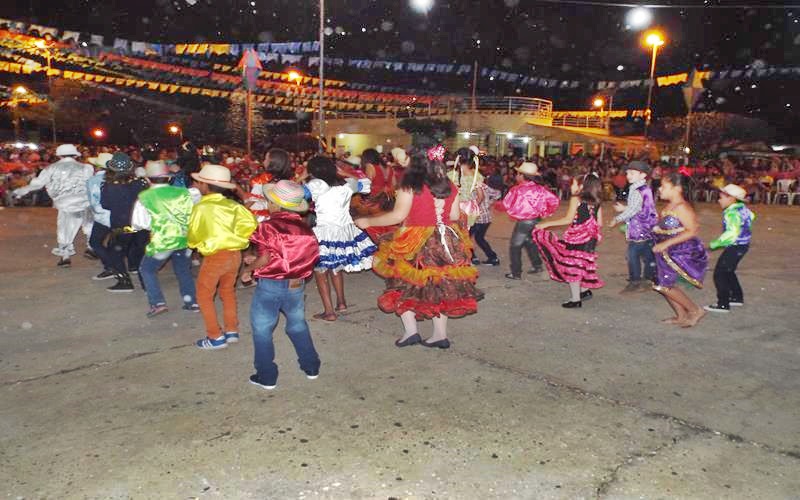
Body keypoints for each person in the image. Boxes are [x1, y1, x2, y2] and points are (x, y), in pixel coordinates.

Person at [355, 145, 483, 349]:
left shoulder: (410, 185)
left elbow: (397, 216)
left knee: (404, 284)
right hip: (446, 242)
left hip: (414, 242)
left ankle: (411, 332)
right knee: (439, 287)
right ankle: (440, 335)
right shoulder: (449, 184)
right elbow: (454, 217)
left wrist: (368, 222)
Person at [240, 180, 322, 390]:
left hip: (271, 285)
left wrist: (248, 270)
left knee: (262, 329)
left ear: (275, 205)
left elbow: (266, 258)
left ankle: (267, 375)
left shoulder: (268, 226)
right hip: (296, 284)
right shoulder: (306, 230)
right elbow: (301, 257)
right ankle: (311, 366)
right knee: (297, 324)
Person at [188, 164, 258, 349]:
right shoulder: (234, 205)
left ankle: (215, 336)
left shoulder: (201, 207)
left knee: (204, 295)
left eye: (200, 182)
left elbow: (193, 236)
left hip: (214, 257)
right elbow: (251, 224)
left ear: (205, 185)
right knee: (227, 291)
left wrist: (199, 243)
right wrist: (237, 239)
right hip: (235, 255)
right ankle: (231, 329)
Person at [304, 156, 376, 321]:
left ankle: (329, 312)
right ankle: (341, 303)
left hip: (325, 232)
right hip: (344, 230)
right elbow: (366, 185)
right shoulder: (346, 184)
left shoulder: (316, 185)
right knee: (336, 267)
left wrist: (301, 178)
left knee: (321, 271)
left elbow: (294, 194)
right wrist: (345, 172)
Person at [131, 161, 198, 318]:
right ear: (169, 178)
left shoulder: (145, 197)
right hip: (185, 238)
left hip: (164, 241)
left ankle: (157, 303)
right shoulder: (184, 193)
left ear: (147, 179)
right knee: (183, 270)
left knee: (147, 270)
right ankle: (192, 301)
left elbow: (139, 224)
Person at [12, 144, 94, 267]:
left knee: (65, 229)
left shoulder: (51, 168)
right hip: (86, 201)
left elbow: (37, 184)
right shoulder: (86, 168)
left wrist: (20, 191)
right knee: (90, 226)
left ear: (59, 155)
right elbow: (91, 184)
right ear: (75, 155)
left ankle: (65, 257)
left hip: (66, 204)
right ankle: (91, 247)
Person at [533, 174, 605, 308]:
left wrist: (546, 224)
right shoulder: (597, 201)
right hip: (590, 238)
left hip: (578, 238)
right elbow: (599, 223)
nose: (572, 186)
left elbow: (568, 219)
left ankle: (575, 299)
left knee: (572, 266)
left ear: (582, 186)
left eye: (574, 184)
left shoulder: (576, 198)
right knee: (581, 264)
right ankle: (584, 291)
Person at [652, 172, 708, 328]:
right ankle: (682, 315)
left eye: (663, 186)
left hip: (679, 251)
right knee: (662, 283)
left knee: (664, 284)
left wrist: (666, 243)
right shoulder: (670, 206)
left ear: (676, 188)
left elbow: (692, 230)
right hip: (667, 250)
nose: (660, 190)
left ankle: (695, 310)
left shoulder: (682, 207)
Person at [100, 152, 151, 292]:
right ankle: (147, 283)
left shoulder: (108, 186)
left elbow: (105, 205)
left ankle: (124, 281)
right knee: (141, 253)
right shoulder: (141, 183)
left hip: (122, 225)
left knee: (115, 252)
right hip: (140, 224)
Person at [501, 162, 560, 280]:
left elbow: (507, 204)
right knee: (529, 242)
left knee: (515, 246)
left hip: (524, 222)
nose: (516, 176)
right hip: (536, 220)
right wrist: (544, 212)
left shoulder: (518, 190)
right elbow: (554, 201)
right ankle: (537, 265)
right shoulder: (541, 189)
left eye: (518, 174)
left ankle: (516, 272)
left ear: (522, 176)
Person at [704, 184, 755, 313]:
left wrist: (713, 244)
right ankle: (737, 297)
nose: (719, 200)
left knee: (719, 274)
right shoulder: (743, 209)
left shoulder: (732, 213)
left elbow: (731, 234)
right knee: (728, 271)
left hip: (735, 246)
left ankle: (723, 303)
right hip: (742, 246)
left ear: (731, 198)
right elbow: (751, 218)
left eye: (721, 197)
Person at [608, 161, 657, 294]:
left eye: (632, 173)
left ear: (643, 175)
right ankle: (649, 279)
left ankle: (635, 281)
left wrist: (617, 219)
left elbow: (633, 210)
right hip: (647, 226)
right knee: (648, 254)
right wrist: (625, 208)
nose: (628, 175)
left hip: (639, 227)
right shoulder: (644, 188)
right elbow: (640, 207)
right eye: (628, 172)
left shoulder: (636, 190)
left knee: (632, 255)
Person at [85, 153, 116, 280]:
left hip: (102, 216)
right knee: (114, 243)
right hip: (119, 215)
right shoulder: (118, 178)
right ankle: (122, 266)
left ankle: (110, 267)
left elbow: (93, 201)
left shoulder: (93, 181)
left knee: (95, 242)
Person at [470, 175, 502, 266]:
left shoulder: (472, 187)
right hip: (486, 218)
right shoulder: (484, 186)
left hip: (476, 218)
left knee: (467, 238)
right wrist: (490, 203)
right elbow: (498, 193)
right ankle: (493, 258)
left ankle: (473, 257)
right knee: (479, 238)